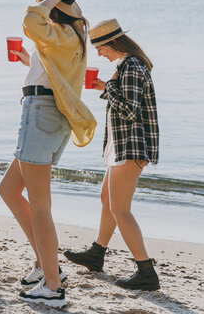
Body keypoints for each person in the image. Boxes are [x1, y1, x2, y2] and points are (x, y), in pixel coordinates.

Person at [0, 0, 96, 308]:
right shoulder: (67, 32)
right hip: (47, 114)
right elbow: (53, 69)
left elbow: (29, 20)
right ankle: (45, 264)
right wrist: (30, 60)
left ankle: (53, 285)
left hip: (41, 114)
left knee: (40, 206)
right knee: (9, 190)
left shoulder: (62, 29)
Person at [63, 18, 160, 291]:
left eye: (100, 48)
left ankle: (146, 272)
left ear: (113, 43)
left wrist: (107, 87)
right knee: (107, 198)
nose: (99, 54)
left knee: (120, 209)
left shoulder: (130, 65)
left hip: (132, 145)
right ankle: (97, 253)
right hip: (125, 144)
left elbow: (129, 111)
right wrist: (106, 87)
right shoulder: (127, 65)